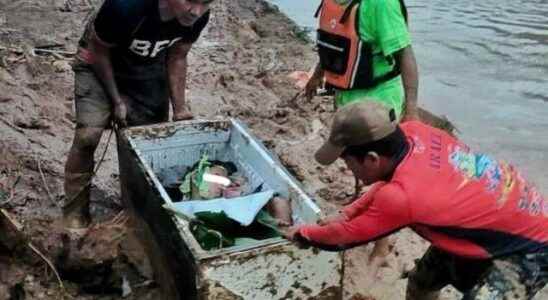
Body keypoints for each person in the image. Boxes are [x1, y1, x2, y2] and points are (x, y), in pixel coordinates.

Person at [282, 100, 548, 299]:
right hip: (493, 218)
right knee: (421, 284)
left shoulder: (403, 198)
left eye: (347, 162)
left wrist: (302, 233)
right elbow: (390, 183)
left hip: (532, 247)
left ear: (372, 158)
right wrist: (348, 211)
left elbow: (344, 237)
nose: (347, 169)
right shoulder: (414, 132)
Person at [63, 0, 213, 229]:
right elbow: (99, 50)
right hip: (99, 59)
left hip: (147, 67)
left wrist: (180, 108)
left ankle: (134, 210)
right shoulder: (125, 6)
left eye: (205, 3)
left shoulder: (198, 15)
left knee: (146, 143)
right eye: (190, 0)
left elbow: (178, 56)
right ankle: (75, 212)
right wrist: (116, 100)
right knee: (88, 136)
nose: (196, 11)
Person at [305, 0, 418, 122]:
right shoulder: (334, 2)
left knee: (372, 139)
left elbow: (405, 53)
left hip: (377, 102)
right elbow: (334, 44)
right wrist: (317, 75)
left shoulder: (382, 4)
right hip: (344, 98)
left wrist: (411, 111)